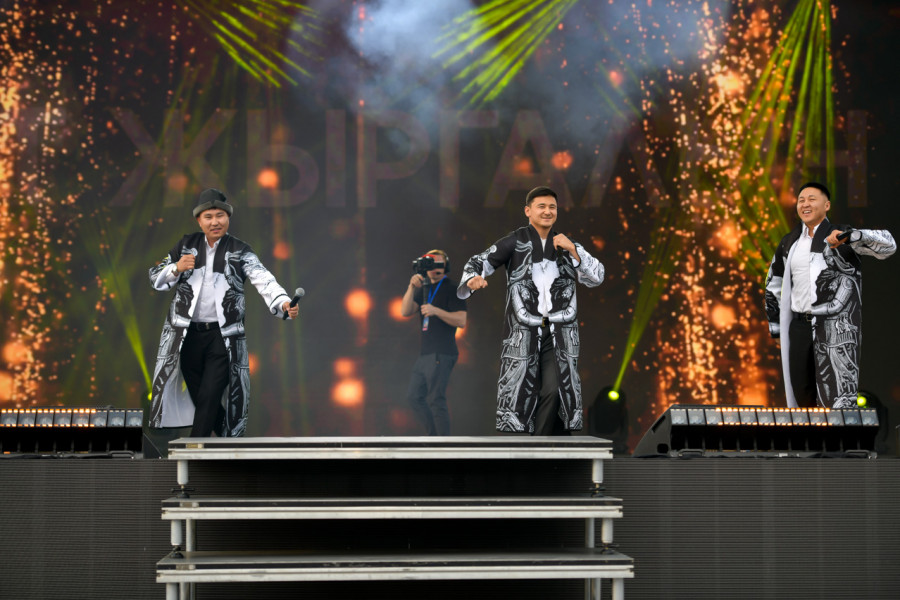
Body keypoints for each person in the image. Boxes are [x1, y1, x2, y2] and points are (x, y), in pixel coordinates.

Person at [147, 188, 299, 437]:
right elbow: (156, 279)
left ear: (228, 217)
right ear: (199, 220)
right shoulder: (186, 245)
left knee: (210, 392)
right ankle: (228, 441)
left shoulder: (240, 250)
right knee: (200, 394)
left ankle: (195, 447)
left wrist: (283, 302)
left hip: (223, 336)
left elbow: (263, 279)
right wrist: (176, 268)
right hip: (187, 335)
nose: (215, 222)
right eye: (208, 217)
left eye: (220, 215)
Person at [457, 186, 604, 434]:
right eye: (541, 206)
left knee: (556, 389)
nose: (547, 211)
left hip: (559, 332)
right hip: (523, 331)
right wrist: (473, 279)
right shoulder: (514, 241)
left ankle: (540, 444)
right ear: (528, 211)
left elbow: (597, 276)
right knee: (522, 394)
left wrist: (573, 250)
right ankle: (534, 445)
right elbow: (478, 261)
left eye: (552, 207)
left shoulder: (567, 244)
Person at [764, 182, 895, 408]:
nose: (805, 204)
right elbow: (773, 282)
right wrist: (776, 324)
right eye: (801, 200)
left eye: (812, 199)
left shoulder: (842, 235)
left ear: (827, 205)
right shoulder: (789, 242)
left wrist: (852, 236)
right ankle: (807, 433)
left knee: (834, 395)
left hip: (833, 328)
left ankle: (835, 432)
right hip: (799, 326)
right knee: (801, 393)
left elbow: (889, 246)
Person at [401, 250, 467, 435]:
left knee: (436, 399)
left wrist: (436, 311)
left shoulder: (453, 288)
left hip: (443, 351)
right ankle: (433, 437)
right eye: (430, 264)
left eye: (439, 264)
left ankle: (443, 444)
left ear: (446, 266)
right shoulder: (424, 288)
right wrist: (411, 287)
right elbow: (405, 311)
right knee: (414, 397)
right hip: (426, 353)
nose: (434, 268)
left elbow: (461, 320)